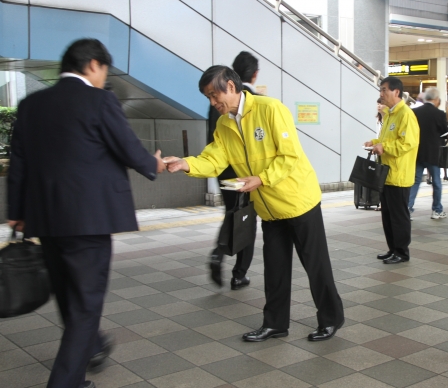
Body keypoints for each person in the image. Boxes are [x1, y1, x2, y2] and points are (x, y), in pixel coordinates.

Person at [7, 39, 165, 388]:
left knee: (68, 296)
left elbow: (19, 163)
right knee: (86, 305)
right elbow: (127, 148)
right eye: (104, 70)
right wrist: (152, 163)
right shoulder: (99, 100)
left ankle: (88, 353)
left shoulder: (31, 104)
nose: (102, 77)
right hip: (89, 221)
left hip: (46, 221)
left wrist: (16, 212)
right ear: (93, 64)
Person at [164, 66, 344, 342]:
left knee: (315, 265)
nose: (213, 103)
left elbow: (289, 156)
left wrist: (260, 179)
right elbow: (213, 158)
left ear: (232, 87)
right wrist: (185, 164)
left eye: (215, 95)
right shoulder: (224, 125)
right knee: (275, 269)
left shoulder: (270, 109)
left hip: (299, 202)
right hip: (269, 209)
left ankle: (331, 319)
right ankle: (275, 324)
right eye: (208, 98)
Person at [207, 51, 259, 290]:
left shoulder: (215, 103)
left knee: (231, 213)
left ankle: (219, 252)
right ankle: (239, 274)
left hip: (223, 171)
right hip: (247, 174)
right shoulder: (255, 101)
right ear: (254, 75)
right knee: (246, 217)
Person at [364, 76, 419, 264]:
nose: (381, 94)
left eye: (384, 90)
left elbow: (408, 143)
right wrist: (375, 143)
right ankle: (392, 249)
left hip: (399, 175)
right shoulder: (390, 114)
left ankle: (402, 252)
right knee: (387, 215)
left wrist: (384, 148)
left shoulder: (406, 115)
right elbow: (388, 138)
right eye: (381, 90)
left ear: (396, 92)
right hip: (387, 174)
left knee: (398, 216)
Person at [408, 87, 448, 220]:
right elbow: (445, 132)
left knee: (415, 181)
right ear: (436, 99)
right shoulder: (439, 114)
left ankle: (408, 208)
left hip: (418, 152)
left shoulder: (414, 112)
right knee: (436, 182)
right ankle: (437, 210)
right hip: (433, 154)